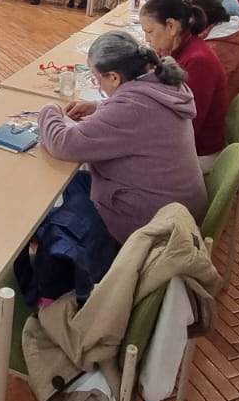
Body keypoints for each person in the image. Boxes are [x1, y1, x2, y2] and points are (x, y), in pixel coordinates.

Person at [27, 31, 208, 294]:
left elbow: (63, 144)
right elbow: (134, 111)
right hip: (176, 206)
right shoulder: (165, 82)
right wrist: (100, 107)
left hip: (151, 223)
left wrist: (49, 109)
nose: (97, 83)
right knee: (74, 182)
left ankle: (66, 264)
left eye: (96, 77)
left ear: (114, 77)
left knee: (63, 192)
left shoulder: (130, 109)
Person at [139, 0, 228, 170]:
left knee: (107, 156)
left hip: (197, 153)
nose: (147, 39)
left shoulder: (198, 61)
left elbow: (186, 125)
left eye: (150, 32)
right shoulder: (182, 47)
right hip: (183, 141)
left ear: (171, 26)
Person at [190, 0, 239, 100]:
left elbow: (202, 89)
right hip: (227, 94)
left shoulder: (218, 47)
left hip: (222, 102)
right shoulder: (230, 31)